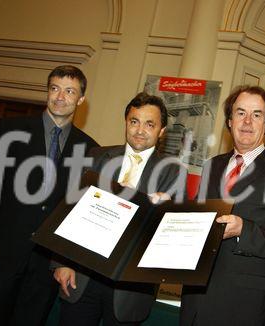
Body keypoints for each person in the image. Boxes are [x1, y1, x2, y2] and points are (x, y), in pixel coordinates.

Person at [0, 65, 98, 326]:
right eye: (55, 89)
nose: (60, 96)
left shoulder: (89, 148)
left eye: (69, 91)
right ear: (47, 92)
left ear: (80, 99)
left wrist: (66, 259)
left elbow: (77, 210)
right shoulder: (10, 129)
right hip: (3, 251)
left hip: (46, 264)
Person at [53, 92, 187, 326]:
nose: (139, 130)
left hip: (129, 288)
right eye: (134, 121)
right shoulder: (96, 156)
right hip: (82, 278)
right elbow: (68, 211)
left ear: (162, 131)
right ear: (126, 122)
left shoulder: (173, 172)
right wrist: (62, 262)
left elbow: (170, 235)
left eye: (149, 124)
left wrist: (159, 211)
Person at [180, 85, 265, 325]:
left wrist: (243, 231)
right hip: (196, 299)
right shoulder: (211, 166)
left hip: (243, 306)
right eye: (240, 113)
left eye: (257, 114)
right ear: (229, 121)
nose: (247, 121)